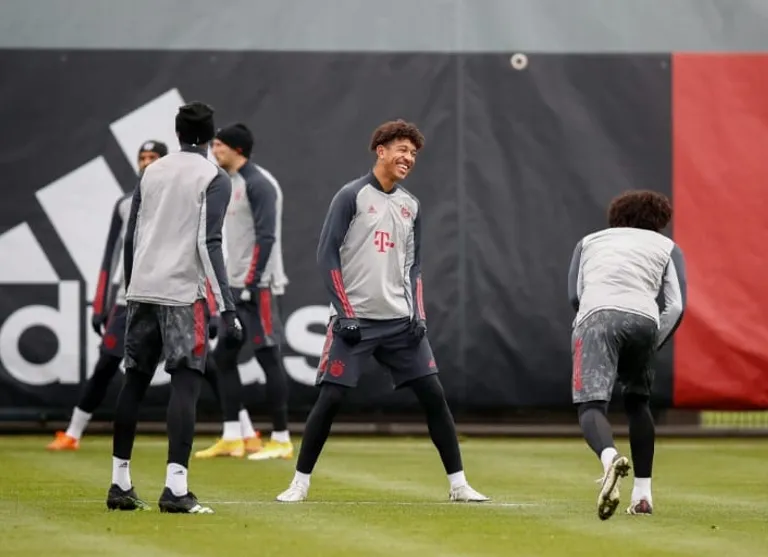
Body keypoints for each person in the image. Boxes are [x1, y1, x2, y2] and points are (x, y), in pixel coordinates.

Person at [275, 119, 489, 503]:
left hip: (400, 324)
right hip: (354, 322)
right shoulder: (351, 196)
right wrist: (345, 313)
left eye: (413, 153)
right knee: (330, 399)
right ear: (381, 151)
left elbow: (414, 266)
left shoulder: (411, 205)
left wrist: (418, 314)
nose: (409, 158)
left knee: (433, 395)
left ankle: (459, 485)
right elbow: (327, 255)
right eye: (402, 150)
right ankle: (299, 484)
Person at [106, 102, 242, 514]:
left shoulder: (152, 172)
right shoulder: (214, 177)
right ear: (210, 135)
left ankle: (119, 483)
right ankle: (176, 489)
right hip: (184, 294)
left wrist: (132, 285)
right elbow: (208, 242)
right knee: (185, 384)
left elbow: (131, 236)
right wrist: (228, 307)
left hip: (142, 290)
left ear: (178, 133)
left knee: (134, 381)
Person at [567, 190, 687, 520]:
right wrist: (653, 342)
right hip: (645, 320)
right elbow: (676, 306)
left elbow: (575, 296)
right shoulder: (667, 247)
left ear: (617, 216)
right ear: (658, 220)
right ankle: (643, 495)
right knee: (638, 403)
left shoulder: (589, 242)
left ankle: (609, 459)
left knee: (591, 405)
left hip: (597, 317)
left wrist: (596, 331)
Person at [47, 140, 168, 451]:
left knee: (200, 366)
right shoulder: (125, 204)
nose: (147, 162)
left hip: (168, 300)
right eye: (143, 157)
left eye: (153, 157)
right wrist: (100, 304)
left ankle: (240, 430)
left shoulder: (176, 201)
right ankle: (73, 433)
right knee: (105, 365)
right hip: (128, 301)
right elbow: (110, 255)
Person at [195, 123, 292, 461]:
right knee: (223, 358)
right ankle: (232, 437)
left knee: (268, 356)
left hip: (258, 287)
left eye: (219, 144)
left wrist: (252, 284)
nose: (214, 149)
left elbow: (266, 237)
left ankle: (281, 438)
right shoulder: (227, 182)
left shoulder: (259, 183)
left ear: (237, 149)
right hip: (235, 286)